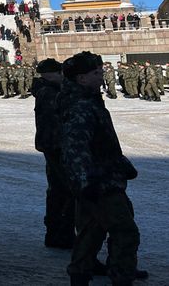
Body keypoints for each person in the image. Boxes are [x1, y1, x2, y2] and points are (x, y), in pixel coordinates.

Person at [59, 51, 143, 286]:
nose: (102, 75)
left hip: (101, 176)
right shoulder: (81, 106)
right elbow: (75, 148)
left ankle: (80, 276)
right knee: (125, 232)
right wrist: (87, 182)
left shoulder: (89, 101)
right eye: (96, 73)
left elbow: (102, 143)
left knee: (91, 231)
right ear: (81, 79)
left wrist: (120, 163)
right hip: (98, 181)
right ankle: (122, 276)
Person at [31, 58, 75, 249]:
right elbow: (55, 125)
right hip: (57, 148)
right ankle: (61, 234)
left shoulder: (48, 91)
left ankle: (55, 233)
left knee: (57, 191)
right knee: (66, 192)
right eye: (60, 73)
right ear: (52, 74)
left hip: (53, 147)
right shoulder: (49, 93)